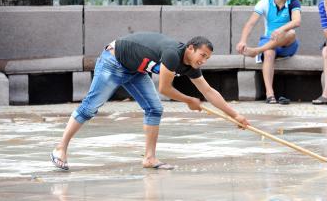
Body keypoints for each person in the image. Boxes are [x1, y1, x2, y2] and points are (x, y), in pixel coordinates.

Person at [51, 32, 250, 171]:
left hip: (136, 70)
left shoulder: (191, 66)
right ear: (190, 48)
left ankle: (149, 158)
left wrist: (235, 115)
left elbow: (208, 91)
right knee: (90, 107)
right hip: (114, 61)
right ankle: (61, 148)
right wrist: (188, 100)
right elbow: (164, 88)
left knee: (154, 109)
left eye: (207, 58)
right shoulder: (173, 54)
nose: (203, 61)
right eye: (202, 55)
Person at [236, 0, 301, 104]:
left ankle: (256, 51)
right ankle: (270, 94)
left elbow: (297, 21)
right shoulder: (264, 3)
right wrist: (242, 40)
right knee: (269, 52)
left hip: (287, 43)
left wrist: (281, 29)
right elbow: (250, 24)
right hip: (269, 41)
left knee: (291, 33)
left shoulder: (293, 2)